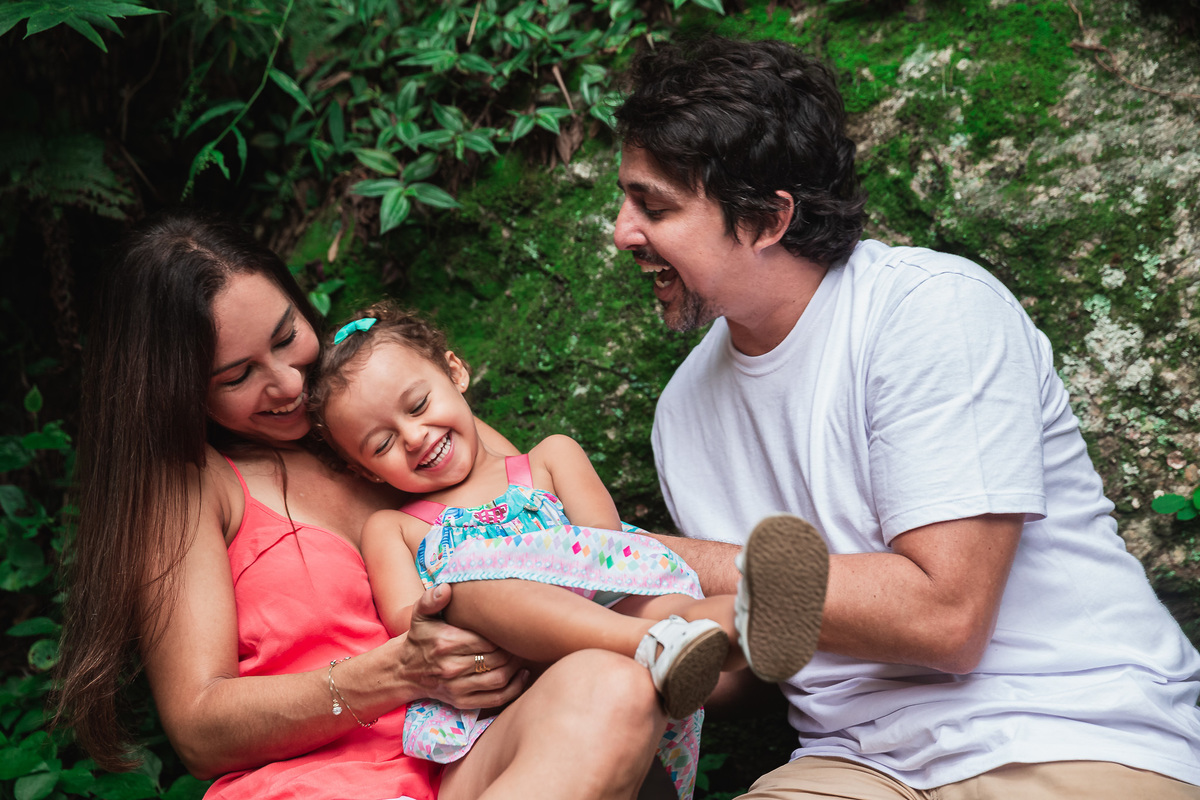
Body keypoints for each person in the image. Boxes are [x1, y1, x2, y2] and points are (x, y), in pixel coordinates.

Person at [611, 35, 1200, 800]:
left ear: (767, 218)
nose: (622, 232)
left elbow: (947, 620)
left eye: (654, 206)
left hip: (1065, 731)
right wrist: (582, 623)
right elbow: (762, 658)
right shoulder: (683, 411)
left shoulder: (930, 311)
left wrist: (634, 554)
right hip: (853, 763)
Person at [54, 209, 682, 800]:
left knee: (615, 685)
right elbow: (198, 731)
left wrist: (730, 580)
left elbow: (580, 556)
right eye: (238, 376)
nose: (290, 383)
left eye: (287, 336)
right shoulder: (193, 483)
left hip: (465, 760)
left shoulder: (388, 406)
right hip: (322, 783)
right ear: (178, 392)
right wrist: (398, 673)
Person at [306, 301, 829, 800]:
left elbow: (610, 555)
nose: (414, 436)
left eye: (418, 405)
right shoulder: (395, 528)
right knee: (465, 586)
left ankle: (749, 620)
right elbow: (410, 625)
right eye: (382, 444)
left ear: (455, 372)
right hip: (520, 679)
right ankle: (657, 644)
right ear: (365, 471)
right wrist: (483, 587)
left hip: (608, 616)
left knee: (667, 606)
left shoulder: (550, 459)